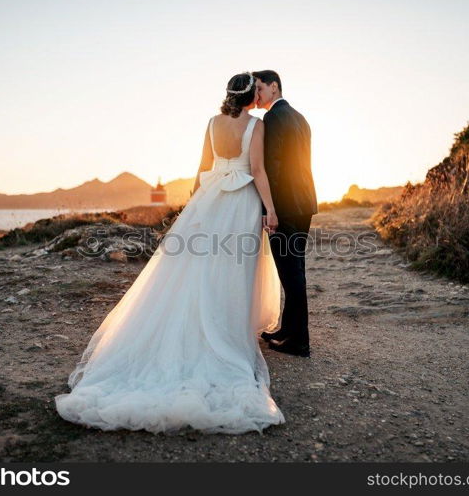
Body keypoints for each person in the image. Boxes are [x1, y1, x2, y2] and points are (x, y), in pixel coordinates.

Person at [54, 72, 285, 434]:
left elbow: (201, 170)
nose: (259, 95)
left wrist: (196, 205)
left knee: (196, 269)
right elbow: (257, 170)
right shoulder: (255, 126)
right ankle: (224, 332)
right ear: (249, 97)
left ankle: (197, 323)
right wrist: (270, 209)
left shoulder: (211, 123)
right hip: (239, 203)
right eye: (255, 91)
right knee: (233, 269)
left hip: (209, 200)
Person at [253, 70, 318, 358]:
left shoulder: (273, 118)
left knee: (291, 273)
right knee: (294, 269)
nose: (257, 94)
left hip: (287, 206)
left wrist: (271, 209)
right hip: (304, 203)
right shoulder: (299, 117)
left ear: (274, 87)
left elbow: (275, 167)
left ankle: (299, 341)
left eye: (259, 88)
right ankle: (287, 329)